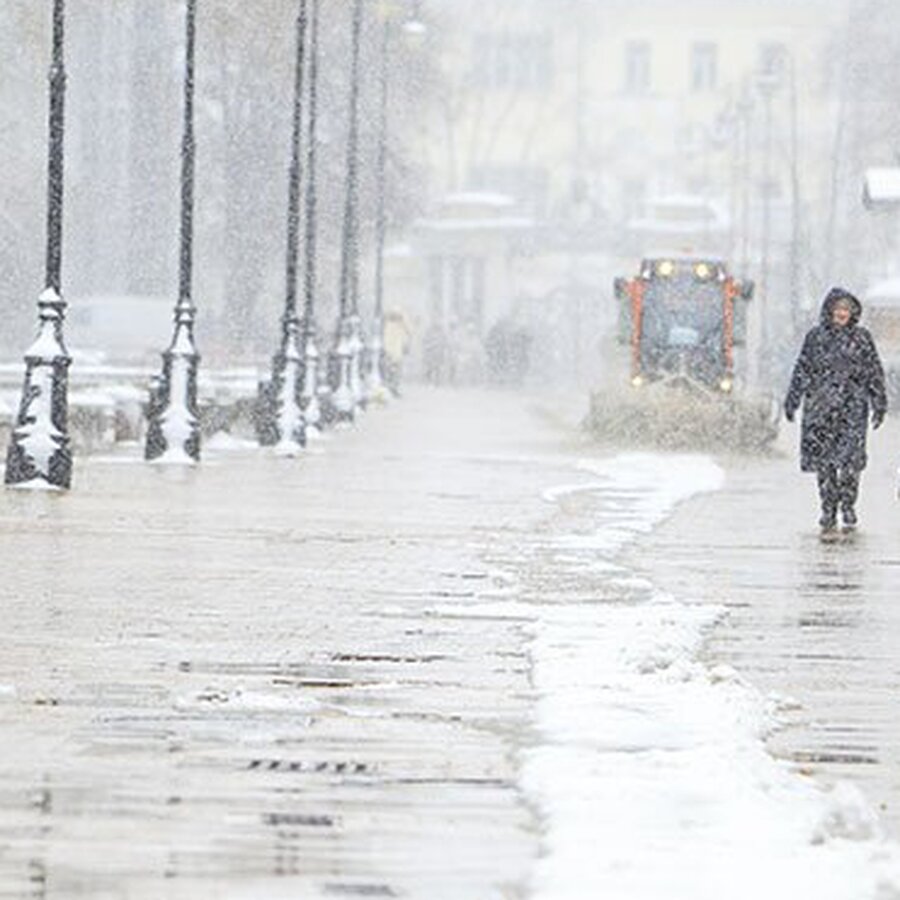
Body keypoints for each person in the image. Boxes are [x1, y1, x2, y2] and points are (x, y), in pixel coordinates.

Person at [784, 287, 888, 536]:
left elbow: (874, 372)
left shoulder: (862, 338)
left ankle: (848, 504)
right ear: (829, 310)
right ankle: (828, 508)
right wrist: (792, 400)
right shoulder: (816, 338)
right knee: (826, 465)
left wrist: (879, 403)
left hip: (852, 409)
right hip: (821, 409)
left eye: (846, 309)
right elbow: (802, 369)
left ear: (853, 313)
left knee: (851, 463)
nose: (842, 313)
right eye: (838, 308)